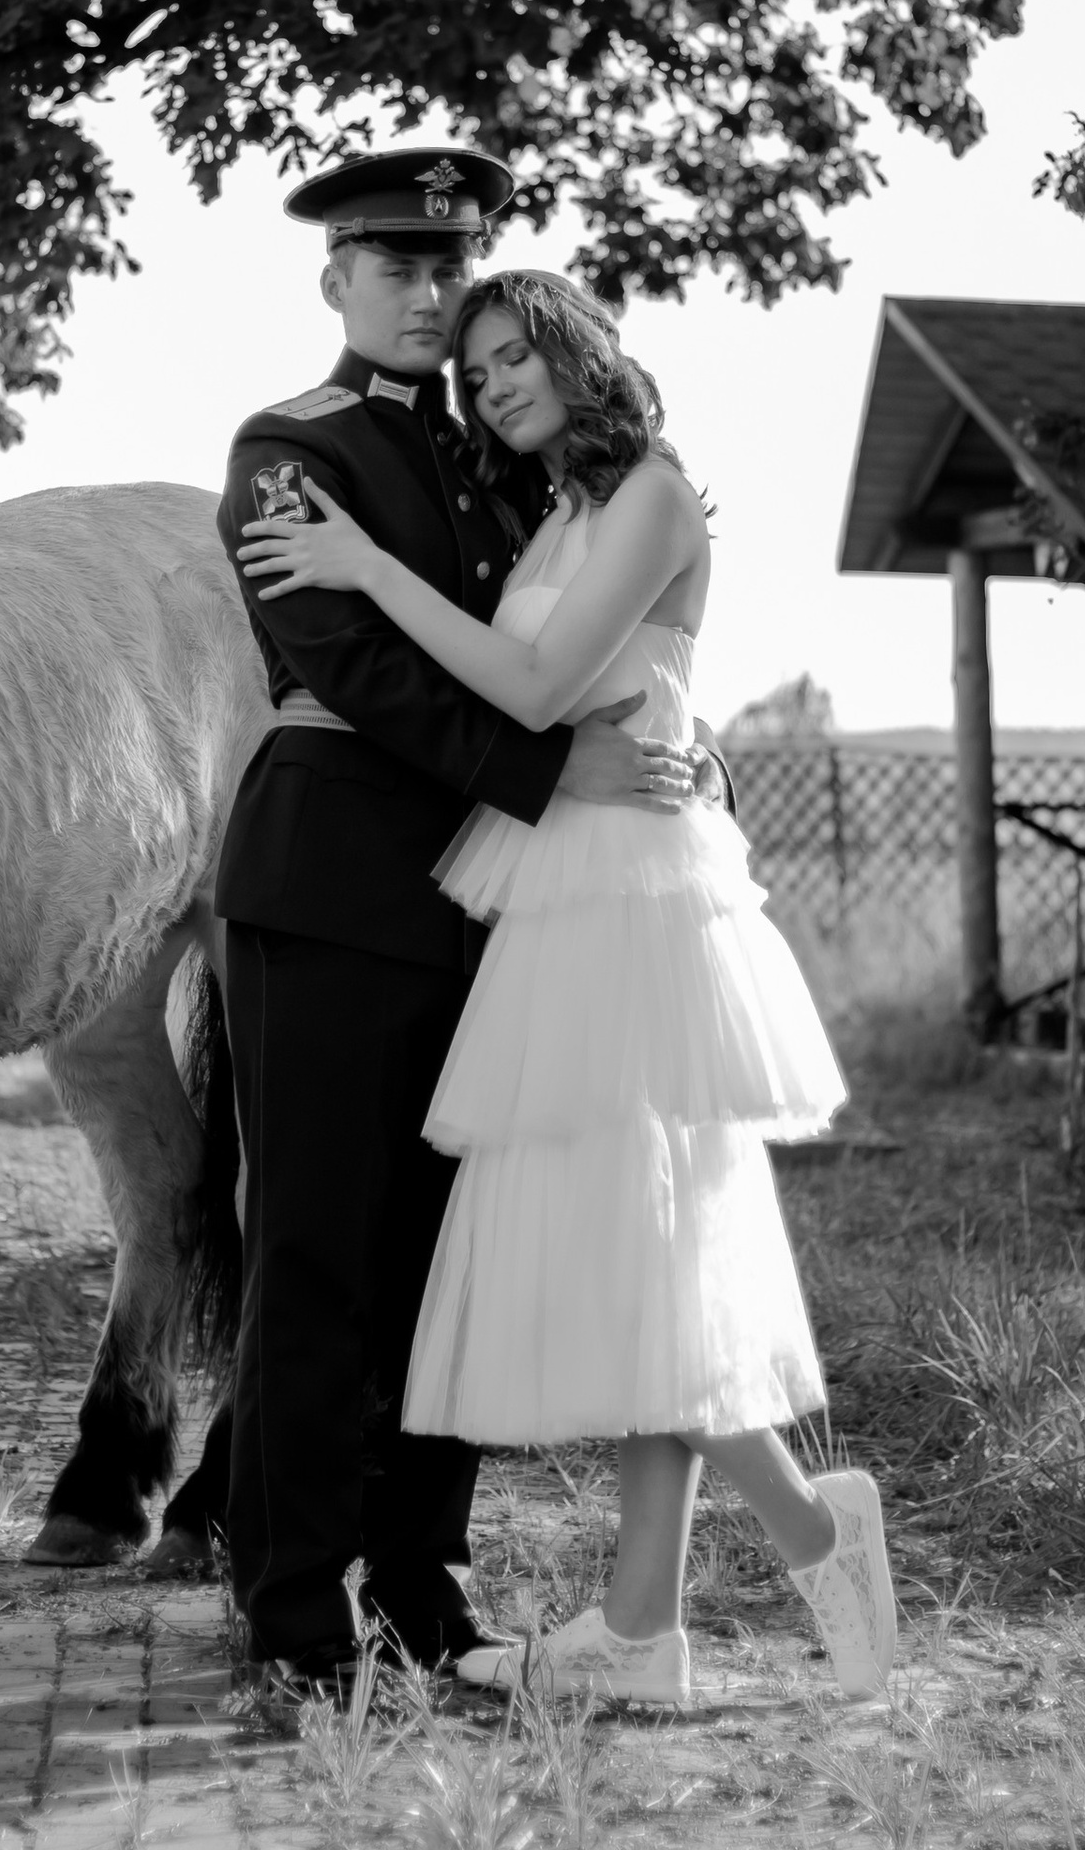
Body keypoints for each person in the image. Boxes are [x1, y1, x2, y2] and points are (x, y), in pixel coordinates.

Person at [238, 266, 897, 1709]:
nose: (493, 383)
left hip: (628, 895)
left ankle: (804, 1524)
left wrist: (364, 566)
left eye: (514, 351)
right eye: (475, 371)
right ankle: (644, 1624)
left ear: (578, 345)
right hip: (558, 878)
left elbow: (537, 694)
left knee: (634, 1237)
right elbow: (576, 687)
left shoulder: (655, 489)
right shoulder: (560, 509)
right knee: (635, 1246)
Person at [213, 152, 702, 1694]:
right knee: (313, 1261)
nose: (428, 294)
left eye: (453, 265)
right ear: (334, 281)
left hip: (496, 902)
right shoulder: (287, 449)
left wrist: (675, 740)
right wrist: (563, 768)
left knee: (446, 1264)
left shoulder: (516, 460)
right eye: (395, 265)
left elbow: (592, 635)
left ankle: (425, 1588)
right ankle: (295, 1610)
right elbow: (355, 666)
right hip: (337, 883)